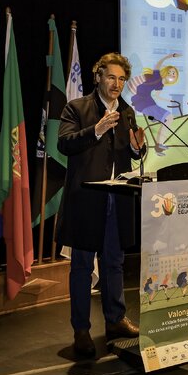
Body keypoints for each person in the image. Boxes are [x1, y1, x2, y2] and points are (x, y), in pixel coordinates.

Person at [57, 52, 147, 358]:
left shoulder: (127, 112)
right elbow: (64, 143)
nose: (116, 84)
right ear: (98, 77)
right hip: (86, 201)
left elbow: (132, 153)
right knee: (82, 267)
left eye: (121, 79)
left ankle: (115, 320)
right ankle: (81, 330)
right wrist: (96, 129)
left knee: (114, 263)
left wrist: (137, 149)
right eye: (111, 77)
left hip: (117, 201)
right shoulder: (77, 107)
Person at [129, 52, 181, 155]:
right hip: (143, 101)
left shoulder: (160, 85)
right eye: (170, 72)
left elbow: (157, 96)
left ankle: (159, 145)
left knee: (167, 119)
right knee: (169, 118)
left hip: (147, 102)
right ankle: (159, 144)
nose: (172, 74)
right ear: (165, 72)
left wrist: (170, 101)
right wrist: (170, 56)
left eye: (174, 73)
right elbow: (159, 63)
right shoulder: (157, 75)